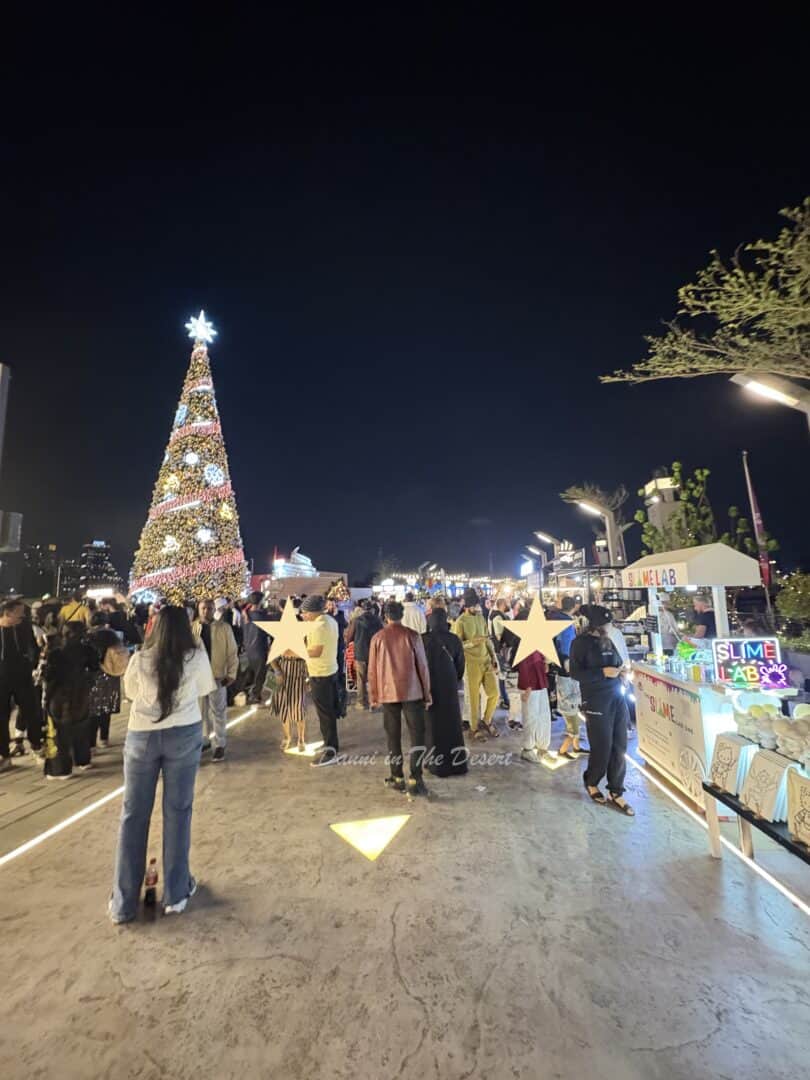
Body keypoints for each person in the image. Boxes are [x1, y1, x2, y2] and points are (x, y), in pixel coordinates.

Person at [109, 606, 217, 922]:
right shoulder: (195, 656)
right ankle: (176, 892)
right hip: (183, 733)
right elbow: (204, 689)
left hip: (142, 736)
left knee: (133, 815)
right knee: (178, 812)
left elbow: (130, 693)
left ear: (154, 627)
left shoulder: (141, 658)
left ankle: (124, 902)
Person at [570, 604, 634, 816]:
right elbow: (576, 673)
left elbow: (617, 661)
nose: (608, 628)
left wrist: (621, 672)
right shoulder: (580, 644)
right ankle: (592, 781)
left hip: (617, 697)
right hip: (596, 699)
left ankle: (616, 789)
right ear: (593, 625)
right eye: (604, 624)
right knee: (602, 745)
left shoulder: (610, 639)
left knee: (620, 745)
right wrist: (602, 673)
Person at [368, 601, 432, 795]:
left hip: (388, 694)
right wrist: (427, 693)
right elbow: (423, 667)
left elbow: (372, 671)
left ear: (385, 616)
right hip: (412, 692)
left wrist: (374, 695)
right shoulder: (413, 636)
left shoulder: (378, 638)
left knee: (392, 736)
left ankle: (397, 777)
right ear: (401, 615)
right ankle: (415, 777)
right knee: (417, 735)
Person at [42, 621, 97, 778]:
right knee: (82, 727)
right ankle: (83, 760)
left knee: (60, 732)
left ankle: (61, 769)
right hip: (81, 693)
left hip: (60, 695)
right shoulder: (88, 650)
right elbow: (94, 669)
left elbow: (48, 676)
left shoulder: (56, 653)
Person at [422, 608, 467, 777]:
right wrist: (454, 679)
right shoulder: (454, 639)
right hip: (449, 687)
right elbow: (460, 666)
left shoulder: (423, 639)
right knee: (452, 724)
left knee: (432, 726)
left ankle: (434, 763)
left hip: (429, 687)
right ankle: (457, 763)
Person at [192, 599, 238, 762]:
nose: (206, 611)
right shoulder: (193, 629)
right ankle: (204, 740)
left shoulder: (223, 628)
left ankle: (219, 744)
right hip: (198, 678)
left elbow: (232, 651)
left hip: (217, 676)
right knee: (200, 712)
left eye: (209, 608)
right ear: (198, 609)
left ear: (214, 609)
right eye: (203, 608)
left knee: (218, 712)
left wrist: (231, 673)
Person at [0, 598, 43, 769]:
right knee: (1, 716)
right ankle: (4, 754)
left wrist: (32, 664)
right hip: (1, 679)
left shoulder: (24, 627)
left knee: (31, 711)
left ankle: (36, 746)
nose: (23, 616)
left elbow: (34, 647)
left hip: (23, 676)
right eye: (19, 613)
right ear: (7, 613)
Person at [453, 588, 499, 740]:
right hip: (471, 664)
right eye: (473, 606)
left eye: (476, 605)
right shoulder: (460, 622)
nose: (476, 608)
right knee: (473, 699)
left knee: (494, 694)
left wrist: (493, 657)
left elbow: (487, 639)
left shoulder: (480, 617)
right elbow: (457, 645)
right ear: (466, 606)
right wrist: (472, 643)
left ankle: (486, 720)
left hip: (486, 660)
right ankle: (473, 728)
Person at [508, 609, 553, 764]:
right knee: (531, 717)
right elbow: (524, 666)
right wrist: (527, 687)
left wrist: (546, 663)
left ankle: (542, 747)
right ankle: (528, 748)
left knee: (542, 716)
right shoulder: (524, 642)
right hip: (530, 685)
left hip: (540, 682)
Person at [300, 595, 340, 767]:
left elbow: (315, 651)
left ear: (312, 612)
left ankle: (330, 751)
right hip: (330, 670)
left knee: (325, 715)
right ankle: (331, 745)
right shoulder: (330, 621)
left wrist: (294, 651)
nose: (303, 616)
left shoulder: (319, 626)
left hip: (321, 674)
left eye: (305, 613)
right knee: (329, 713)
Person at [87, 616, 124, 749]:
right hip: (111, 676)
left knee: (93, 710)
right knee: (106, 709)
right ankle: (104, 738)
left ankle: (91, 742)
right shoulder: (112, 635)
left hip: (94, 677)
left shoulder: (89, 636)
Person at [345, 600, 383, 709]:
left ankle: (361, 703)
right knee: (373, 678)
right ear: (372, 609)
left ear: (362, 609)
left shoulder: (356, 621)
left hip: (360, 653)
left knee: (361, 679)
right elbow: (382, 636)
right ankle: (374, 702)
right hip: (374, 653)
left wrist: (348, 643)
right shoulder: (377, 620)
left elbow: (349, 637)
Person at [269, 648, 309, 752]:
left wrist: (309, 679)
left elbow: (310, 658)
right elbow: (271, 657)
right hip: (282, 675)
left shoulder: (305, 640)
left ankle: (301, 739)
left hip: (299, 676)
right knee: (283, 708)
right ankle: (287, 737)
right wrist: (277, 671)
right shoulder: (281, 640)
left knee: (299, 709)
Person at [241, 593, 271, 704]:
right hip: (259, 649)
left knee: (250, 673)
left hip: (248, 649)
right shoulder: (262, 617)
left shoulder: (245, 615)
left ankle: (245, 692)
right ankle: (255, 695)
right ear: (260, 602)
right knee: (260, 675)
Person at [488, 598, 512, 709]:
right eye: (507, 603)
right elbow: (498, 635)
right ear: (502, 605)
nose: (508, 605)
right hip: (501, 650)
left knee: (503, 674)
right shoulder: (498, 617)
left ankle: (504, 698)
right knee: (502, 675)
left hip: (503, 649)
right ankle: (504, 698)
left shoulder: (501, 616)